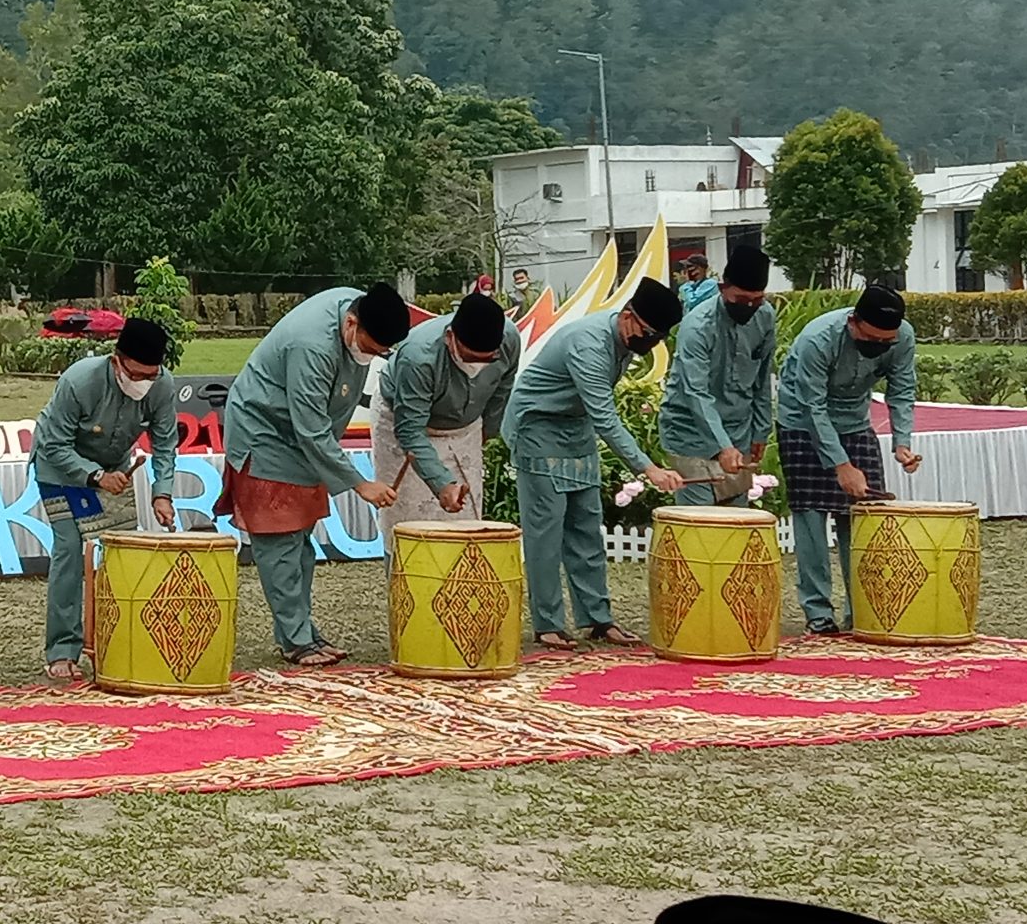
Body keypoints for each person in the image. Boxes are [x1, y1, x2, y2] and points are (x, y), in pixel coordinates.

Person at [215, 284, 407, 666]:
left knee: (300, 545)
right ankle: (296, 640)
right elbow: (311, 427)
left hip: (302, 441)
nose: (372, 356)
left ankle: (302, 632)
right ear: (351, 323)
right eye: (369, 348)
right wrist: (360, 483)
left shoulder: (358, 309)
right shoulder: (312, 346)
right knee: (279, 542)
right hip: (265, 434)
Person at [504, 278, 685, 651]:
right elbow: (605, 416)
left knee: (587, 530)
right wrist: (647, 468)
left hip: (575, 429)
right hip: (538, 428)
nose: (651, 343)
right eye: (649, 333)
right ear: (629, 317)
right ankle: (548, 623)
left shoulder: (624, 341)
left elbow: (594, 416)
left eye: (659, 337)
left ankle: (597, 619)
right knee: (546, 535)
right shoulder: (588, 343)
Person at [29, 318, 180, 682]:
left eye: (151, 375)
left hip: (115, 472)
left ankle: (115, 639)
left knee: (116, 554)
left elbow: (165, 444)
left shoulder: (162, 388)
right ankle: (63, 649)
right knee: (69, 550)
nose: (144, 382)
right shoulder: (79, 381)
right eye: (137, 374)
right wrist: (93, 476)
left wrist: (163, 493)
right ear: (117, 361)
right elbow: (54, 444)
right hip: (59, 472)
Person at [776, 283, 922, 634]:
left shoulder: (901, 337)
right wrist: (841, 465)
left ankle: (863, 611)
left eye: (887, 341)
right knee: (811, 517)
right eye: (872, 339)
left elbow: (902, 388)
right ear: (853, 323)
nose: (880, 347)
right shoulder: (818, 339)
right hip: (801, 422)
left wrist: (902, 442)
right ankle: (818, 613)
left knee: (862, 520)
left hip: (856, 422)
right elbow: (813, 407)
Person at [372, 291, 520, 533]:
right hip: (407, 422)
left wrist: (487, 430)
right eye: (470, 357)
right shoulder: (418, 357)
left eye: (488, 359)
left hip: (466, 426)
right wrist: (442, 483)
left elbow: (503, 387)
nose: (477, 366)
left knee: (468, 520)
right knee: (406, 523)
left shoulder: (510, 338)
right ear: (450, 337)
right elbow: (410, 430)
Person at [659, 245, 775, 506]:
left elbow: (762, 380)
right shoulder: (697, 327)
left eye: (756, 300)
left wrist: (760, 432)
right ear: (723, 289)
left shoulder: (765, 317)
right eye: (741, 299)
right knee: (703, 523)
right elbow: (695, 393)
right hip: (691, 433)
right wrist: (722, 446)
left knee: (736, 520)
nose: (749, 306)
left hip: (739, 432)